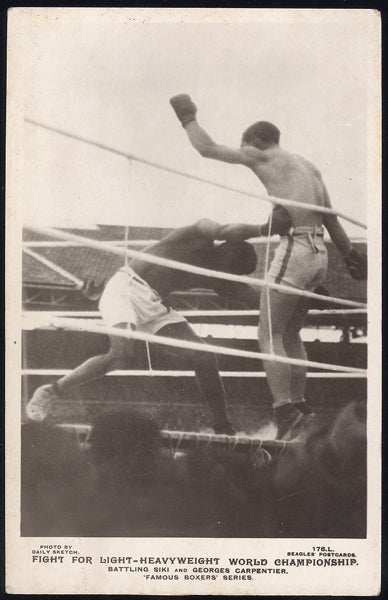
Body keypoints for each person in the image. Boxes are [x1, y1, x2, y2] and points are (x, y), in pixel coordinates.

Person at [170, 94, 367, 439]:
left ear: (256, 141)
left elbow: (207, 148)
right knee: (290, 332)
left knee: (269, 332)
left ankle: (285, 411)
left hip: (295, 249)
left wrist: (187, 117)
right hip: (319, 253)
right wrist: (351, 255)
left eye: (245, 146)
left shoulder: (260, 153)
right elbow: (332, 218)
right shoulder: (309, 166)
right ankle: (300, 403)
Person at [26, 212, 290, 434]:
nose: (225, 273)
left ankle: (223, 426)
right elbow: (222, 229)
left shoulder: (217, 278)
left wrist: (300, 295)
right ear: (227, 246)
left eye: (231, 273)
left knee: (205, 358)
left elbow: (261, 302)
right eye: (229, 265)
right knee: (121, 355)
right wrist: (264, 228)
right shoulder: (197, 233)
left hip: (155, 306)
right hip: (125, 290)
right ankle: (51, 390)